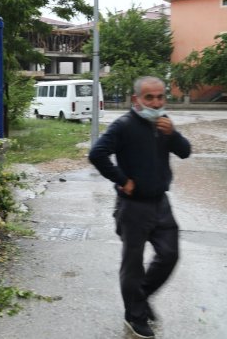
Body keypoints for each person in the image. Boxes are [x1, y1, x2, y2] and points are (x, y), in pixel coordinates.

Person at [89, 76, 191, 339]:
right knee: (132, 265)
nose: (156, 102)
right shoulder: (124, 126)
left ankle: (140, 298)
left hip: (161, 203)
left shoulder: (163, 124)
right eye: (149, 97)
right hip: (133, 207)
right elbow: (97, 153)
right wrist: (123, 180)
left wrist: (173, 134)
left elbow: (185, 152)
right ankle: (135, 317)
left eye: (160, 97)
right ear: (136, 99)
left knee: (169, 255)